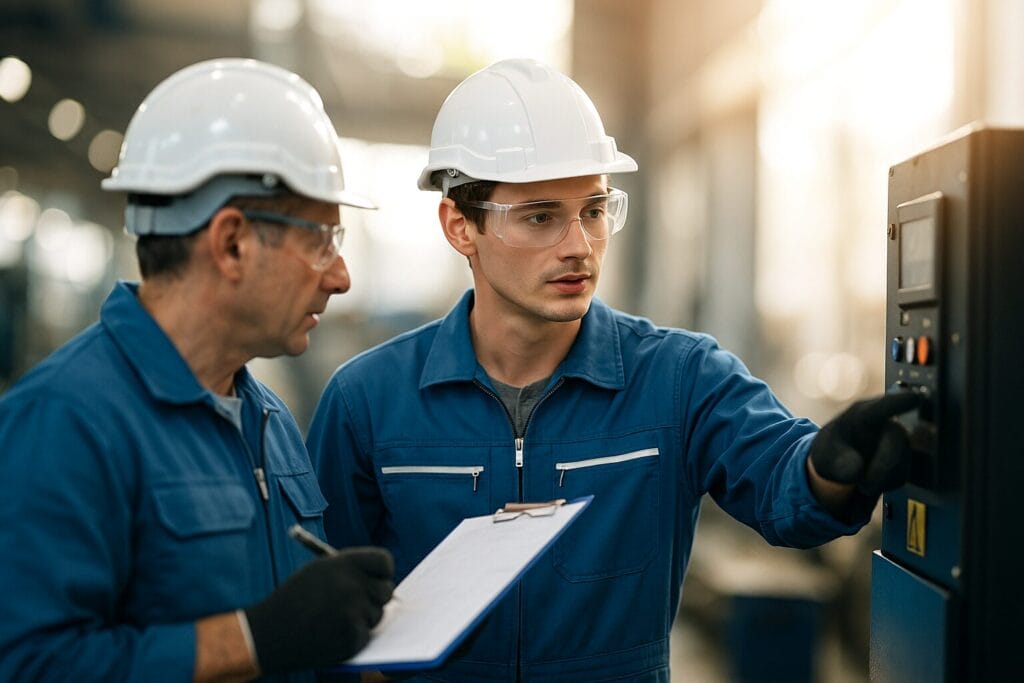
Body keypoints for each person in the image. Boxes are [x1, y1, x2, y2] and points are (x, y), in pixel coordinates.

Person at [307, 58, 918, 682]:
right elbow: (320, 618)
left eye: (595, 210)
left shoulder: (680, 379)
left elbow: (787, 490)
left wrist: (830, 468)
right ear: (460, 225)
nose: (579, 245)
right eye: (541, 216)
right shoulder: (366, 402)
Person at [0, 59, 396, 682]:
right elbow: (27, 665)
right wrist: (251, 640)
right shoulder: (64, 421)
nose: (341, 277)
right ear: (232, 242)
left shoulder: (270, 420)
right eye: (322, 240)